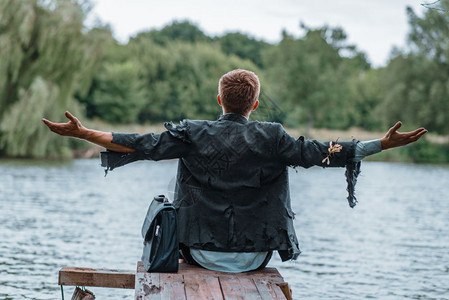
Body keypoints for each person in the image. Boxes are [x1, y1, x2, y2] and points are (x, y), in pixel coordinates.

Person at [42, 69, 427, 273]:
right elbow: (322, 152)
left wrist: (84, 132)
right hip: (255, 256)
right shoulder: (274, 138)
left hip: (199, 254)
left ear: (219, 100)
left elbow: (139, 143)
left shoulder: (192, 133)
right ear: (255, 104)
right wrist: (382, 143)